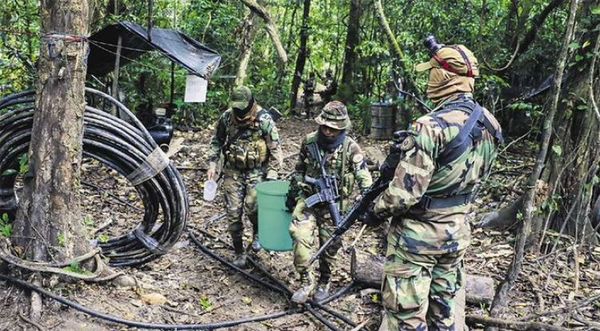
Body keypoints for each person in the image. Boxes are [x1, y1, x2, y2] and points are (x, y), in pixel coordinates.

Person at [363, 38, 503, 330]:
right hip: (456, 234)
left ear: (443, 77)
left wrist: (374, 210)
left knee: (406, 318)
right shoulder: (490, 122)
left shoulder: (430, 126)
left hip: (418, 239)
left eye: (431, 72)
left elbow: (402, 196)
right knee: (444, 316)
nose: (429, 78)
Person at [287, 101, 373, 303]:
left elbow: (364, 177)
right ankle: (305, 281)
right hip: (308, 201)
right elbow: (299, 170)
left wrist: (367, 199)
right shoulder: (309, 142)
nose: (327, 131)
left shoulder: (351, 148)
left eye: (333, 128)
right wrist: (293, 195)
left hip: (335, 205)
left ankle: (324, 281)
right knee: (299, 236)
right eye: (324, 126)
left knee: (331, 246)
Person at [207, 85, 283, 268]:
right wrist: (212, 164)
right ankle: (239, 251)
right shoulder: (227, 117)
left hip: (257, 171)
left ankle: (258, 232)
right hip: (233, 171)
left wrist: (272, 176)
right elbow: (216, 141)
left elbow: (276, 149)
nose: (240, 110)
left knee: (253, 207)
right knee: (233, 215)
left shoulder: (264, 119)